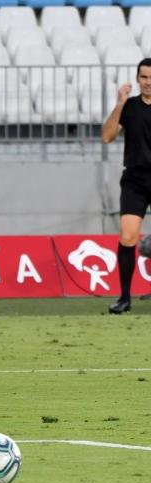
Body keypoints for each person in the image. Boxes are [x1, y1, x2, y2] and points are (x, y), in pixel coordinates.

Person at [102, 58, 151, 314]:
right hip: (135, 179)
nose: (148, 83)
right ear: (137, 79)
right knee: (128, 236)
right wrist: (120, 102)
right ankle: (124, 298)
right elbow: (107, 136)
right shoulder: (129, 107)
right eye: (144, 77)